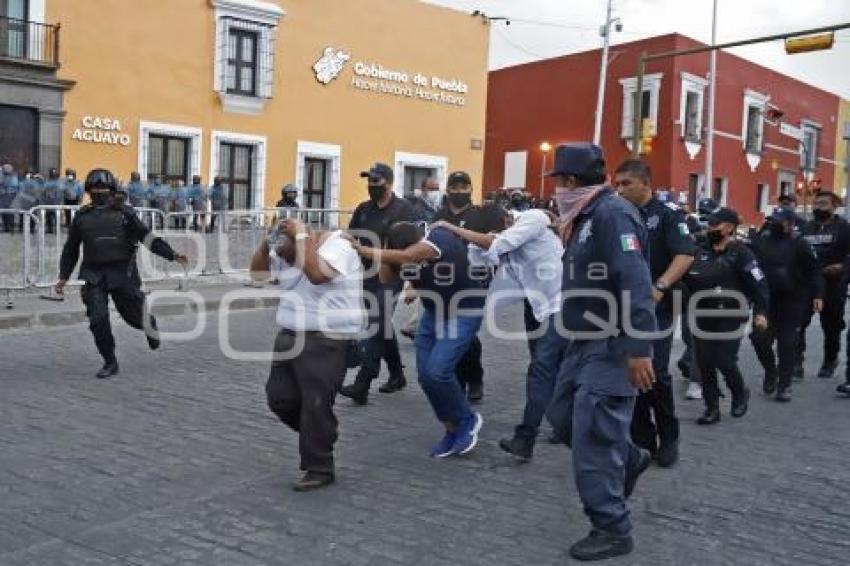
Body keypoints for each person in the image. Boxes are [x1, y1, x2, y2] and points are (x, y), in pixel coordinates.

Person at [541, 143, 656, 561]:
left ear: (571, 183)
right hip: (584, 339)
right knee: (562, 415)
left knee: (593, 436)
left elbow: (635, 280)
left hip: (614, 342)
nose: (557, 191)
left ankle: (612, 528)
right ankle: (628, 458)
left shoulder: (612, 214)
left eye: (560, 182)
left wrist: (639, 347)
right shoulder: (586, 215)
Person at [351, 206, 504, 457]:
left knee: (439, 371)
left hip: (464, 310)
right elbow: (385, 277)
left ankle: (467, 419)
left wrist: (365, 250)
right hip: (433, 312)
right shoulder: (402, 253)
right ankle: (451, 428)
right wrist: (389, 254)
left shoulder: (437, 238)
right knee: (426, 376)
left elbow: (411, 255)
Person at [435, 206, 565, 460]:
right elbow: (478, 256)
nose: (495, 233)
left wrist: (453, 228)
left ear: (507, 218)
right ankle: (564, 424)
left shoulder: (533, 219)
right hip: (537, 306)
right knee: (554, 369)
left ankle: (526, 437)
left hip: (561, 303)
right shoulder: (506, 236)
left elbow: (495, 243)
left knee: (541, 369)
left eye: (497, 228)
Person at [249, 217, 364, 491]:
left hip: (326, 339)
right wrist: (267, 244)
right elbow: (258, 275)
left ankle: (320, 467)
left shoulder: (338, 247)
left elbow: (318, 274)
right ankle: (321, 433)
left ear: (305, 239)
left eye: (285, 252)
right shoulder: (285, 250)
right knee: (279, 398)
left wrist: (299, 236)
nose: (283, 260)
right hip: (289, 334)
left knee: (315, 403)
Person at [55, 169, 188, 378]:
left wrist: (171, 254)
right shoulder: (82, 217)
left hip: (122, 273)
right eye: (95, 188)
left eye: (104, 188)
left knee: (132, 317)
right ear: (89, 191)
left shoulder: (125, 214)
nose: (99, 191)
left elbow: (146, 237)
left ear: (111, 190)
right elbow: (71, 249)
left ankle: (149, 324)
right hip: (94, 274)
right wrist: (63, 277)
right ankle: (110, 361)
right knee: (98, 320)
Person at [614, 159, 695, 468]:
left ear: (645, 183)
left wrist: (660, 284)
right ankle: (642, 437)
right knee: (631, 372)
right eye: (617, 185)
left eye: (626, 184)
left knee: (656, 371)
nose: (620, 190)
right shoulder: (619, 215)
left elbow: (685, 254)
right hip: (626, 305)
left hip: (657, 305)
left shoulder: (668, 216)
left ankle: (669, 435)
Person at [684, 207, 769, 425]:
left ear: (729, 228)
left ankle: (739, 392)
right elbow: (684, 279)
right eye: (708, 224)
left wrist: (760, 313)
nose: (709, 229)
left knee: (724, 359)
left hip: (731, 313)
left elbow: (759, 284)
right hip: (702, 313)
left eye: (715, 225)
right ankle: (711, 408)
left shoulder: (742, 253)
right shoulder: (698, 250)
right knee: (704, 363)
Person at [340, 162, 414, 404]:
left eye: (377, 181)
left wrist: (414, 282)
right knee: (381, 323)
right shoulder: (363, 209)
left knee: (378, 321)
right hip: (368, 272)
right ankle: (397, 375)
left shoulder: (404, 210)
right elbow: (351, 235)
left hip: (393, 272)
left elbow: (413, 245)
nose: (372, 186)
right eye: (369, 181)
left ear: (389, 183)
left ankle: (364, 380)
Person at [749, 206, 823, 402]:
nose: (775, 223)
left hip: (792, 299)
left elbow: (814, 271)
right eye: (773, 219)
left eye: (780, 220)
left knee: (787, 343)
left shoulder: (800, 244)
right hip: (765, 299)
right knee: (759, 338)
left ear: (790, 224)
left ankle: (784, 384)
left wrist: (818, 295)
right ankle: (771, 371)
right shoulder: (761, 241)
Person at [433, 171, 486, 403]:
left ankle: (472, 378)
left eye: (464, 187)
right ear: (448, 190)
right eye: (455, 187)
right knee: (449, 331)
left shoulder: (480, 215)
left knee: (467, 334)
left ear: (471, 189)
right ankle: (457, 376)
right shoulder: (439, 215)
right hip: (444, 279)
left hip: (474, 278)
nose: (459, 191)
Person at [799, 191, 850, 380]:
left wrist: (842, 267)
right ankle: (796, 361)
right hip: (808, 282)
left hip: (834, 283)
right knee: (800, 321)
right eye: (816, 204)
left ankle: (830, 361)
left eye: (823, 204)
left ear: (834, 206)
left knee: (831, 325)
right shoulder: (806, 227)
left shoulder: (844, 227)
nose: (818, 207)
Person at [42, 168, 64, 233]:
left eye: (53, 174)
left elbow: (61, 190)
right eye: (52, 173)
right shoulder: (47, 181)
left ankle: (57, 229)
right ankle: (49, 229)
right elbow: (44, 190)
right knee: (48, 216)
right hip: (48, 201)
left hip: (56, 201)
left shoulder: (59, 182)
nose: (53, 175)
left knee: (56, 216)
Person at [0, 164, 20, 232]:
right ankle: (6, 227)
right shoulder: (2, 176)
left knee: (9, 213)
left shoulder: (13, 177)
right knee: (4, 213)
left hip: (10, 197)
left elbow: (15, 187)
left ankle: (10, 227)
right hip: (3, 197)